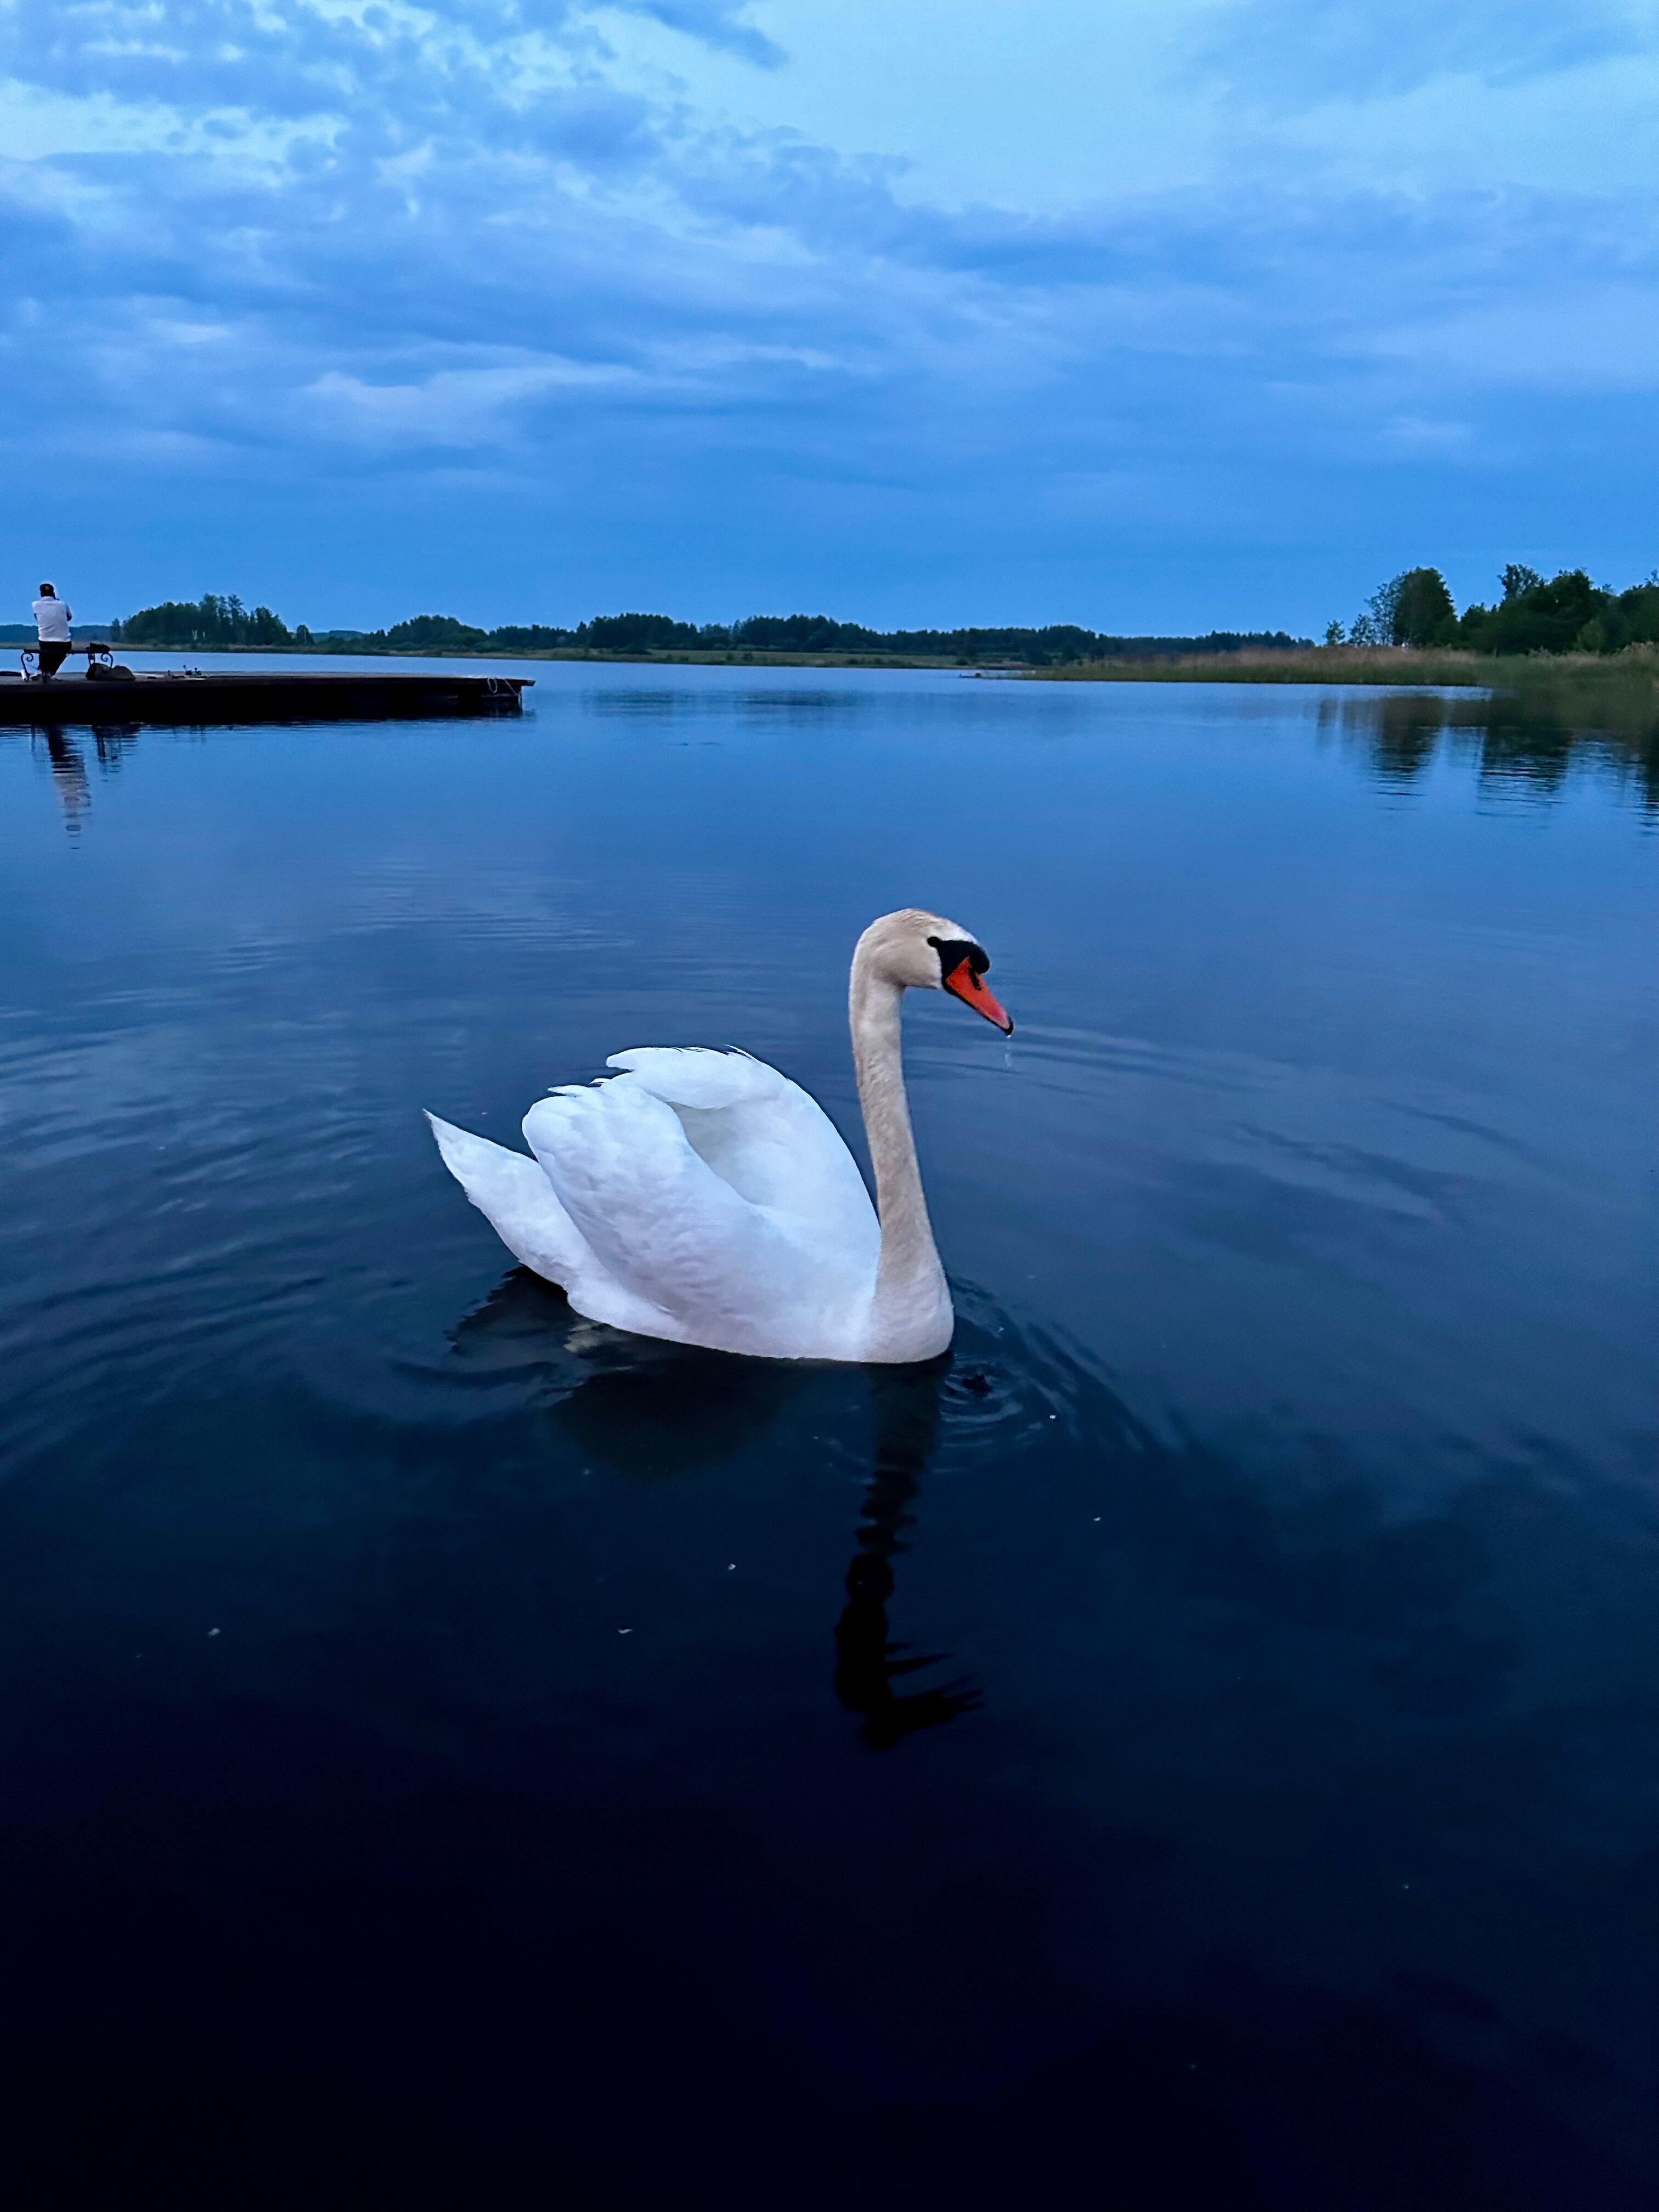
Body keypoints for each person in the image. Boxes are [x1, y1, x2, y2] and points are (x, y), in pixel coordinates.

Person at [32, 583, 73, 678]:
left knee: (45, 648)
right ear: (53, 593)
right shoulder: (63, 605)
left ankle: (42, 671)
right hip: (64, 642)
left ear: (41, 594)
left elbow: (37, 619)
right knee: (61, 651)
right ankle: (49, 672)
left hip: (45, 642)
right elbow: (70, 617)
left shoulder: (35, 605)